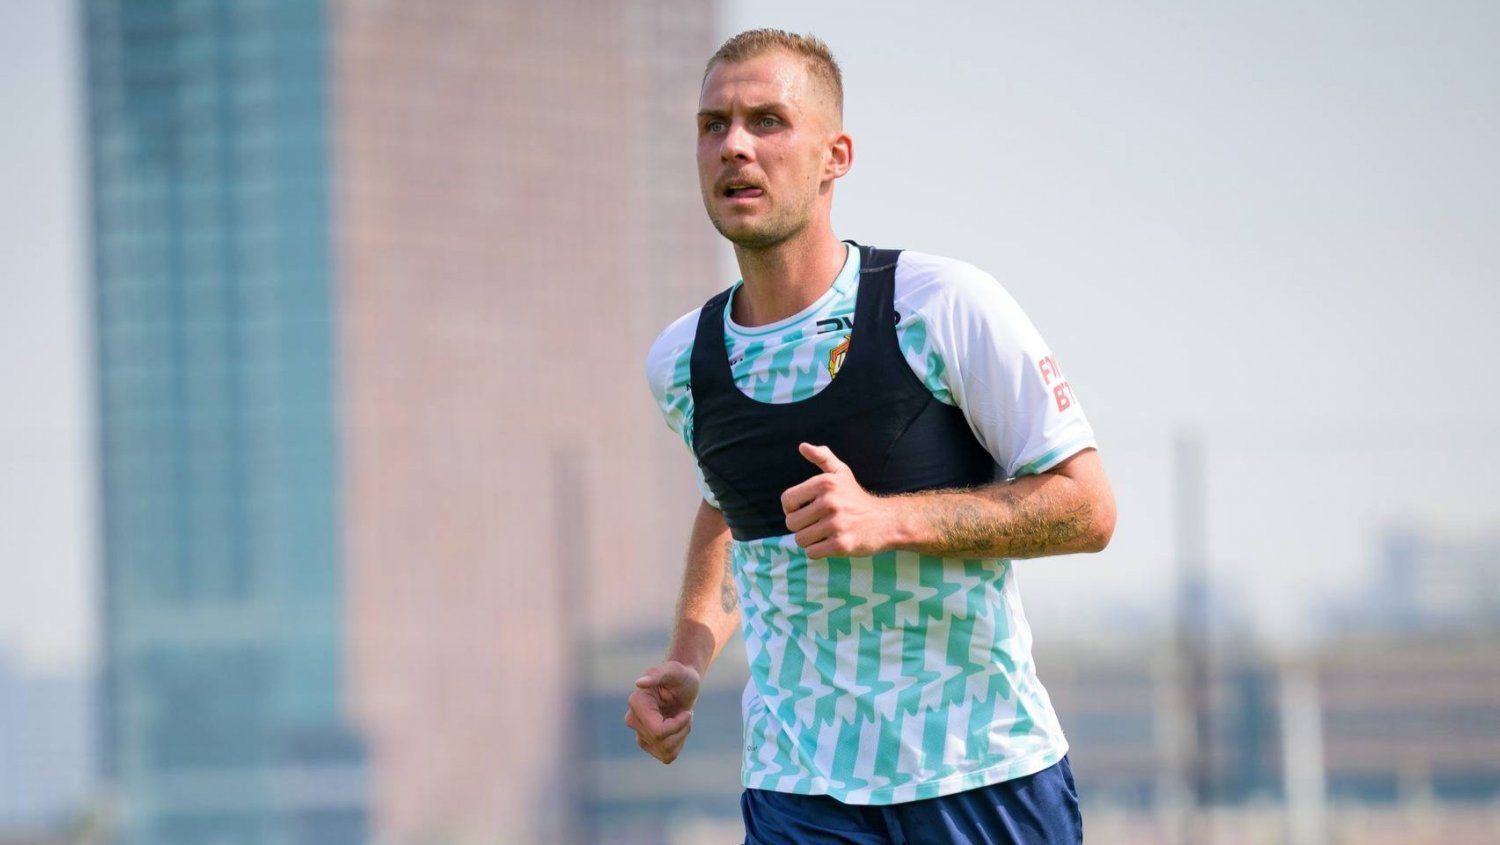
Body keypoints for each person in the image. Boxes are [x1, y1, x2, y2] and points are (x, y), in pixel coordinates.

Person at [624, 29, 1116, 845]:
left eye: (767, 121)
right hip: (798, 792)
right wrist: (688, 656)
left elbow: (1087, 509)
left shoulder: (941, 305)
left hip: (979, 776)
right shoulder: (680, 361)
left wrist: (889, 518)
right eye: (714, 125)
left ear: (836, 156)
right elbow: (731, 508)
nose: (735, 145)